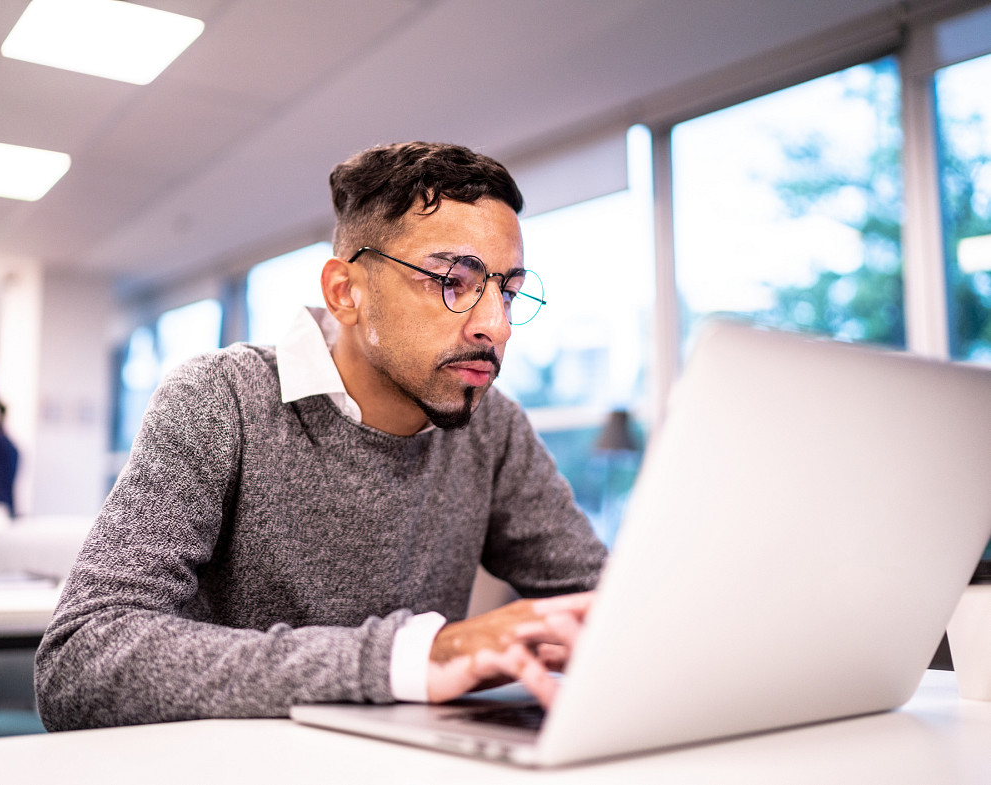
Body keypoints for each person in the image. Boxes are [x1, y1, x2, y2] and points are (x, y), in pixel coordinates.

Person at [35, 141, 608, 730]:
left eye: (507, 291)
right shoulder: (222, 398)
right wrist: (406, 660)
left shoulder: (494, 427)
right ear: (345, 292)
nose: (496, 325)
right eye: (453, 282)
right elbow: (80, 661)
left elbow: (611, 606)